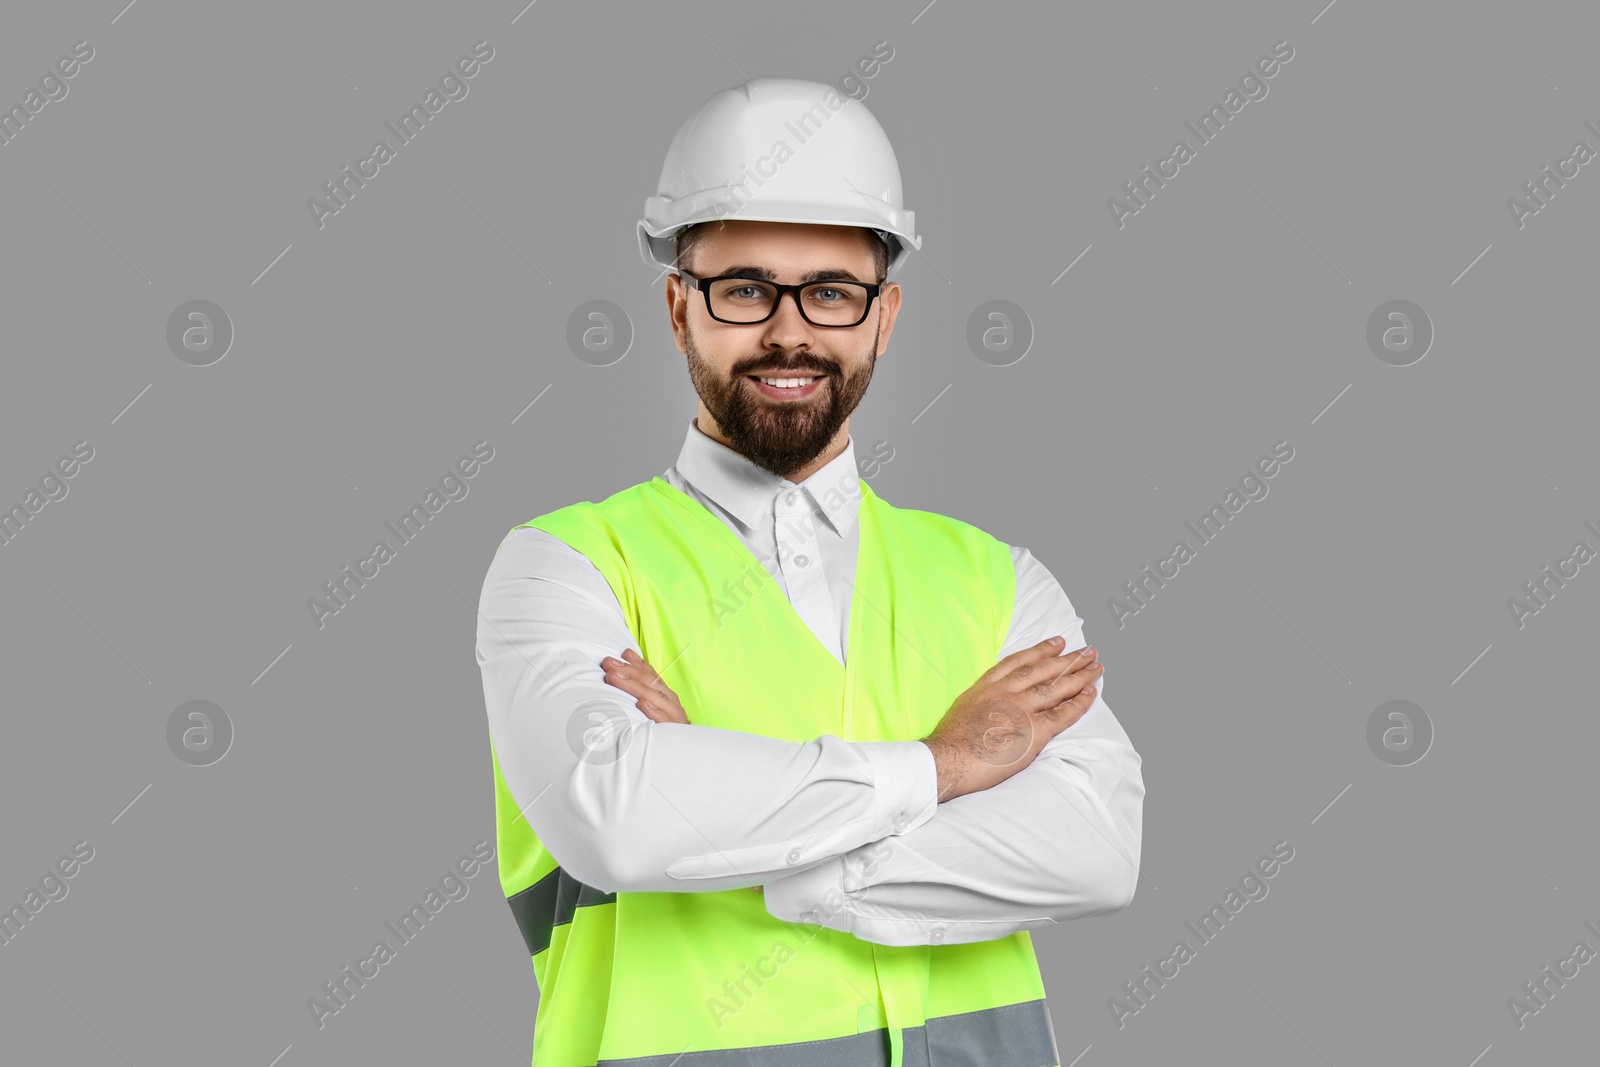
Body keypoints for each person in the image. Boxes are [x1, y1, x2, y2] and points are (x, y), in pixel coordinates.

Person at [476, 76, 1144, 1067]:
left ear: (883, 316)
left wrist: (750, 840)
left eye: (831, 291)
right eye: (744, 287)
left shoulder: (999, 579)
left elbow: (1097, 847)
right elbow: (615, 816)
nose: (790, 331)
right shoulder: (564, 565)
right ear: (677, 306)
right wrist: (945, 768)